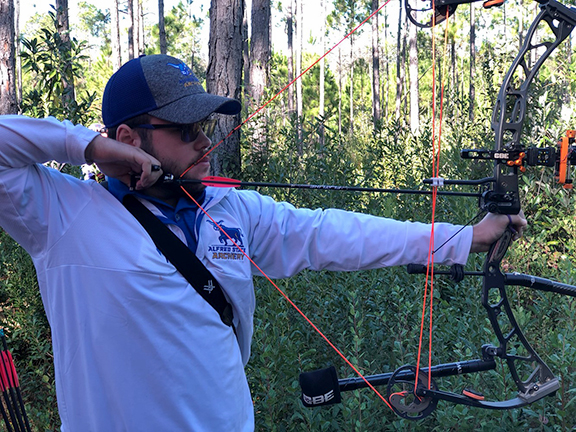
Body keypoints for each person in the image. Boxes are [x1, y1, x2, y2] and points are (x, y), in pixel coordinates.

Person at [0, 54, 527, 431]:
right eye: (186, 130)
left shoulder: (230, 210)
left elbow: (338, 234)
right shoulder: (62, 216)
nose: (205, 141)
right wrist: (87, 145)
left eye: (205, 125)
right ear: (129, 138)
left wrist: (466, 238)